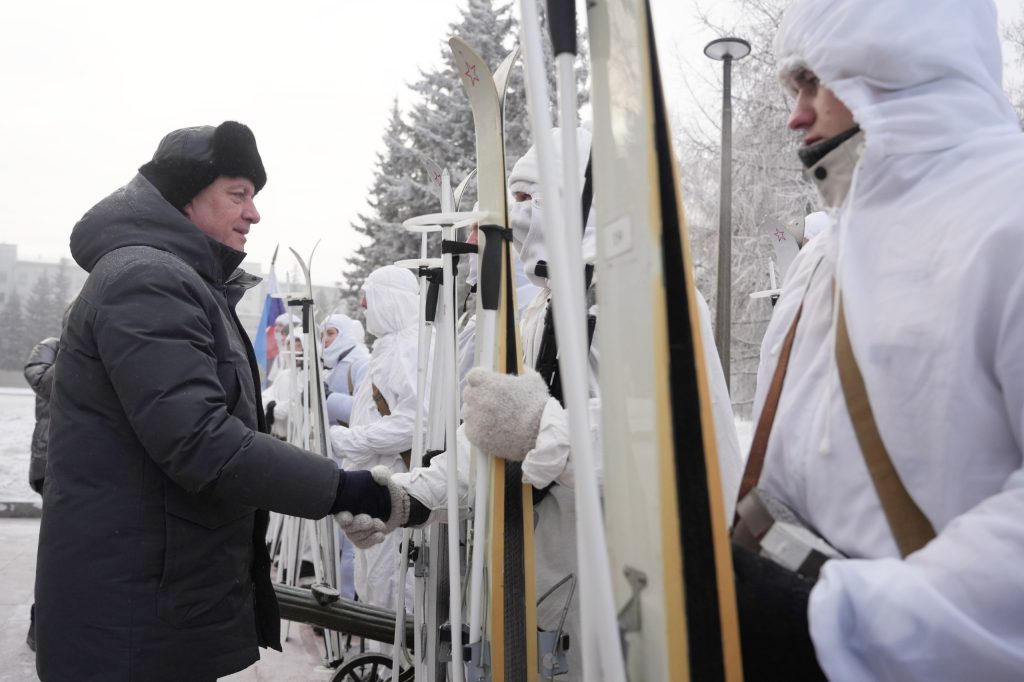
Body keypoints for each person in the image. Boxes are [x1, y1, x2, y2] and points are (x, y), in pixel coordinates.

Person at [354, 128, 743, 680]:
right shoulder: (542, 309)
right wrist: (408, 498)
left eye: (525, 195)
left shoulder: (653, 296)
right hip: (557, 591)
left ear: (571, 199)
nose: (512, 215)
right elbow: (492, 435)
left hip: (641, 592)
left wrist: (543, 430)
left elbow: (669, 437)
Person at [36, 121, 408, 681]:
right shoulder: (147, 280)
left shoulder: (177, 279)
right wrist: (341, 487)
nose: (253, 213)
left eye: (253, 197)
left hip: (152, 599)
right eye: (237, 194)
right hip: (134, 621)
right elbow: (200, 440)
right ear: (185, 197)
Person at [737, 1, 1024, 679]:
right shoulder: (825, 254)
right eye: (793, 89)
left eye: (813, 81)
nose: (795, 116)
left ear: (895, 54)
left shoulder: (1008, 214)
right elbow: (786, 466)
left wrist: (847, 625)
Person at [329, 265, 425, 633]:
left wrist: (353, 441)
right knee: (372, 590)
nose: (363, 303)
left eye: (370, 294)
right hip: (372, 486)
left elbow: (415, 421)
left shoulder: (409, 349)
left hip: (396, 490)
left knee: (391, 594)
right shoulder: (389, 349)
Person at [22, 334, 59, 652]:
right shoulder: (52, 346)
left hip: (81, 465)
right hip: (50, 464)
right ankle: (39, 626)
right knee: (56, 549)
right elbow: (41, 379)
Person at [321, 313, 370, 426]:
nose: (325, 340)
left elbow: (365, 410)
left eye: (330, 333)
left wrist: (327, 397)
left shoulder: (363, 363)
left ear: (345, 334)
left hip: (352, 440)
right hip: (335, 440)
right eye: (322, 335)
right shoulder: (335, 365)